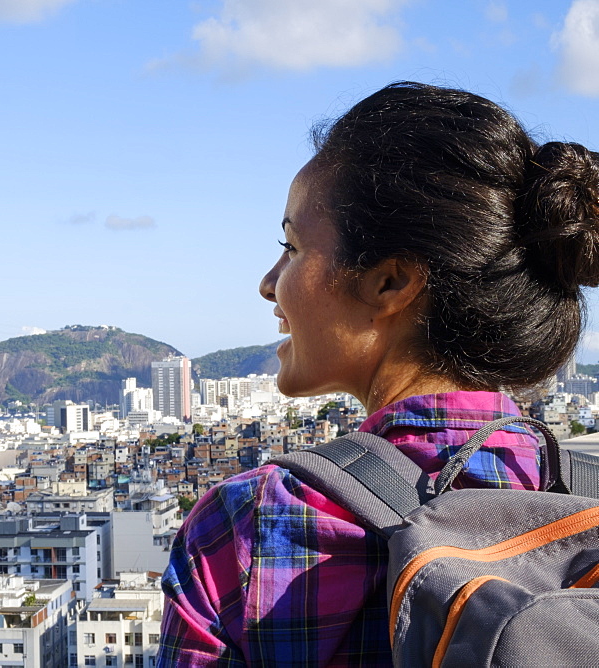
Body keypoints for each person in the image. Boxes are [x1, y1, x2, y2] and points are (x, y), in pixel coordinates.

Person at [157, 81, 599, 667]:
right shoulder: (583, 498)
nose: (269, 282)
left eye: (290, 247)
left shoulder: (247, 529)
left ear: (390, 282)